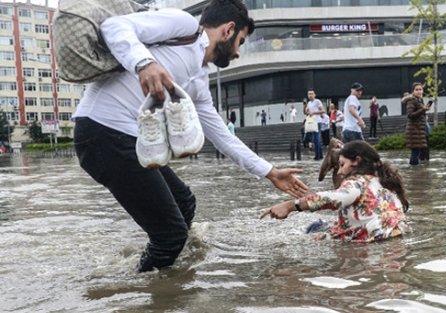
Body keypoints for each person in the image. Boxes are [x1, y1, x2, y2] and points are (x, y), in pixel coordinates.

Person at [72, 1, 308, 272]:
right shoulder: (184, 26)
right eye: (240, 42)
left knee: (185, 203)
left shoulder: (198, 80)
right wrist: (144, 64)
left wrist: (270, 172)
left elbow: (221, 135)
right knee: (170, 236)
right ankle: (144, 295)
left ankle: (165, 270)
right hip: (102, 132)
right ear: (228, 30)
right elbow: (114, 26)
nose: (238, 53)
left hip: (126, 140)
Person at [261, 140, 410, 243]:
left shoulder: (357, 183)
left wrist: (290, 206)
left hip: (372, 242)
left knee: (315, 228)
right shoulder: (384, 181)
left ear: (356, 161)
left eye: (342, 164)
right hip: (395, 237)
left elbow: (334, 198)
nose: (339, 171)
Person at [402, 82, 430, 165]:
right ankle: (413, 172)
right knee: (415, 152)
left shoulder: (419, 100)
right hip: (414, 130)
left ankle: (415, 172)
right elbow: (410, 115)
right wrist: (423, 109)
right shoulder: (411, 101)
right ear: (413, 91)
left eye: (420, 89)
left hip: (419, 130)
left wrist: (424, 109)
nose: (419, 91)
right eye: (416, 89)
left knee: (416, 152)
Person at [306, 89, 325, 160]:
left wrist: (314, 113)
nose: (310, 95)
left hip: (317, 121)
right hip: (312, 122)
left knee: (316, 139)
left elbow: (322, 110)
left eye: (311, 94)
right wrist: (307, 111)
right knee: (315, 139)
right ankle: (320, 155)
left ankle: (317, 155)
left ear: (314, 95)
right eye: (309, 94)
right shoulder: (309, 103)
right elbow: (307, 111)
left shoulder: (317, 101)